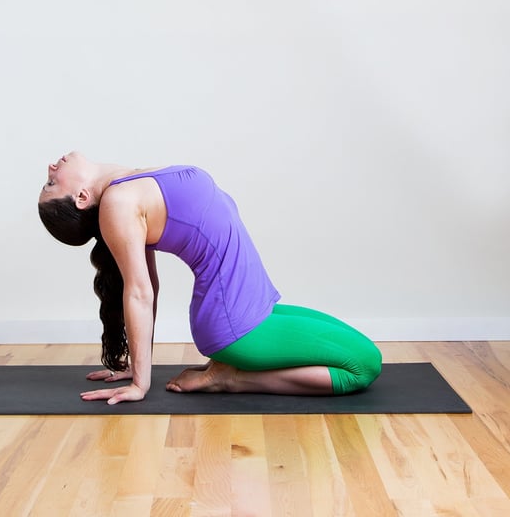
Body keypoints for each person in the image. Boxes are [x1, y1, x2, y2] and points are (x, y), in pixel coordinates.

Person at [38, 152, 382, 405]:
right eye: (51, 183)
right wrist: (141, 383)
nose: (52, 168)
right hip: (239, 325)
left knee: (358, 348)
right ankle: (234, 378)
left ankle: (229, 370)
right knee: (364, 366)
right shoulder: (118, 204)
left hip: (254, 311)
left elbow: (149, 289)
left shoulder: (125, 186)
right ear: (82, 198)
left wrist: (137, 364)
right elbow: (140, 292)